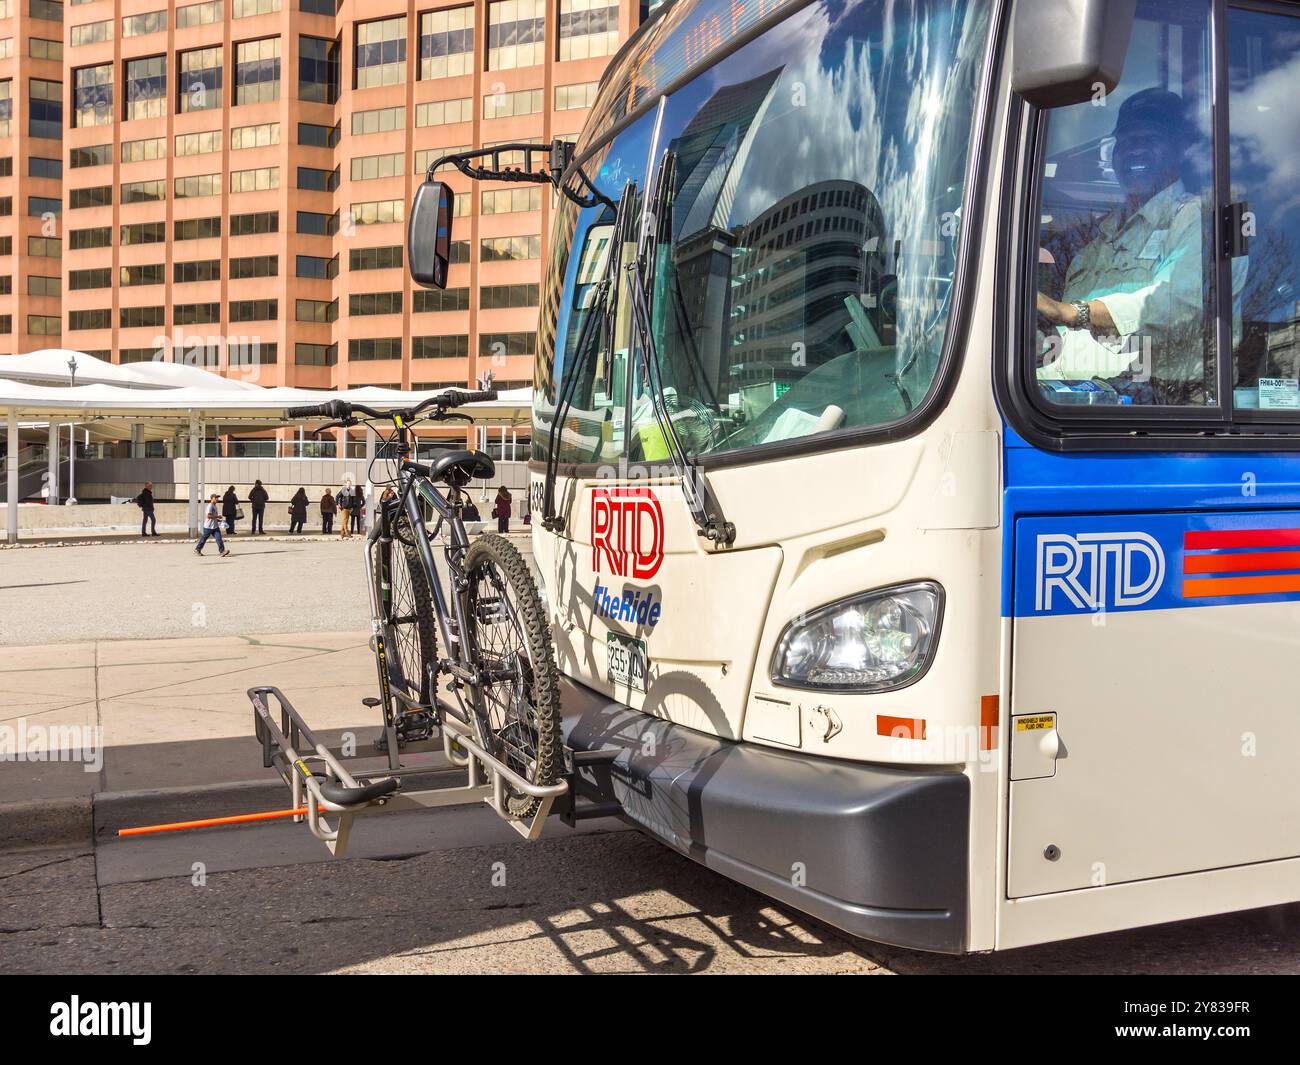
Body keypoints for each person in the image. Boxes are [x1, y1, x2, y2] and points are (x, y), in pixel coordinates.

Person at [1037, 88, 1247, 405]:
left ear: (1180, 150)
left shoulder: (1204, 219)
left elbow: (1182, 301)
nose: (1134, 149)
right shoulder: (1098, 238)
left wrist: (1075, 313)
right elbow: (1071, 338)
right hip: (1071, 405)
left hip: (1162, 411)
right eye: (1126, 140)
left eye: (1150, 138)